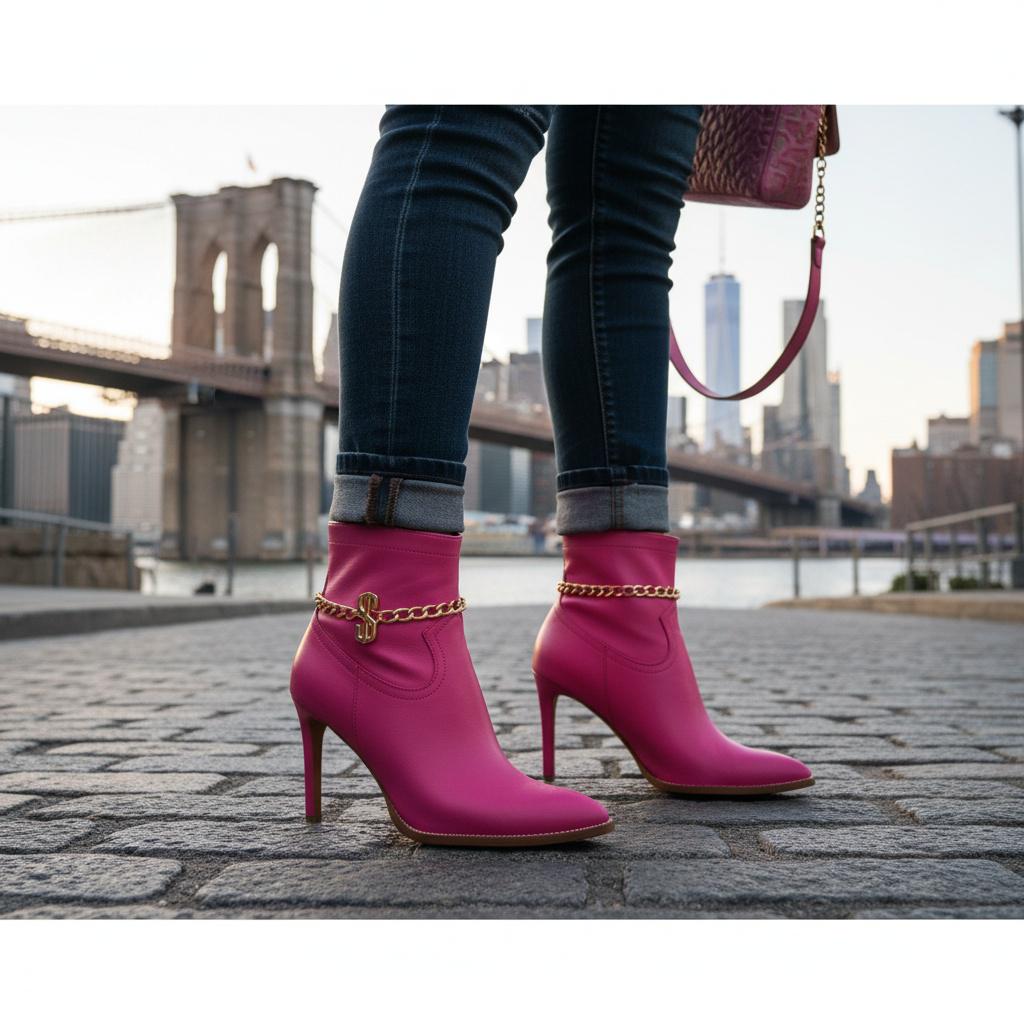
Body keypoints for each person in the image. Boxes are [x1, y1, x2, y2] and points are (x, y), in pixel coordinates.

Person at [290, 106, 813, 848]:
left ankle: (620, 620)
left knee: (631, 214)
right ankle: (380, 624)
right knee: (467, 124)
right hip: (377, 617)